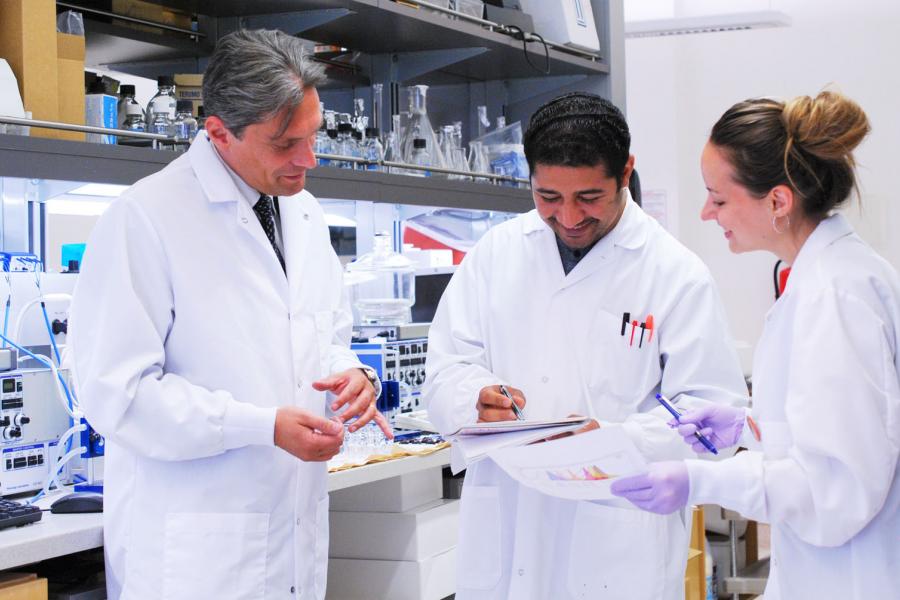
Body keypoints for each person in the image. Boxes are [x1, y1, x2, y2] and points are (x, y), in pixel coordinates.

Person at [68, 29, 390, 600]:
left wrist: (356, 377)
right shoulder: (145, 218)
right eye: (285, 143)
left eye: (312, 137)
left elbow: (326, 333)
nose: (308, 160)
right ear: (218, 132)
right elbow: (118, 395)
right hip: (194, 562)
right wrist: (259, 425)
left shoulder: (305, 215)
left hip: (291, 539)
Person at [424, 92, 749, 600]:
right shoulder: (496, 254)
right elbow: (446, 367)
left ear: (625, 173)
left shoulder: (674, 273)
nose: (569, 216)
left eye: (589, 197)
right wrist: (476, 396)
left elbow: (713, 420)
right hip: (507, 524)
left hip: (616, 536)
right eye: (548, 197)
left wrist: (616, 439)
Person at [611, 91, 900, 599]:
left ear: (778, 201)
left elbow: (834, 490)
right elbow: (838, 434)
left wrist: (698, 480)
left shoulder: (834, 295)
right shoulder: (825, 278)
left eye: (719, 199)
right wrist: (750, 427)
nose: (706, 213)